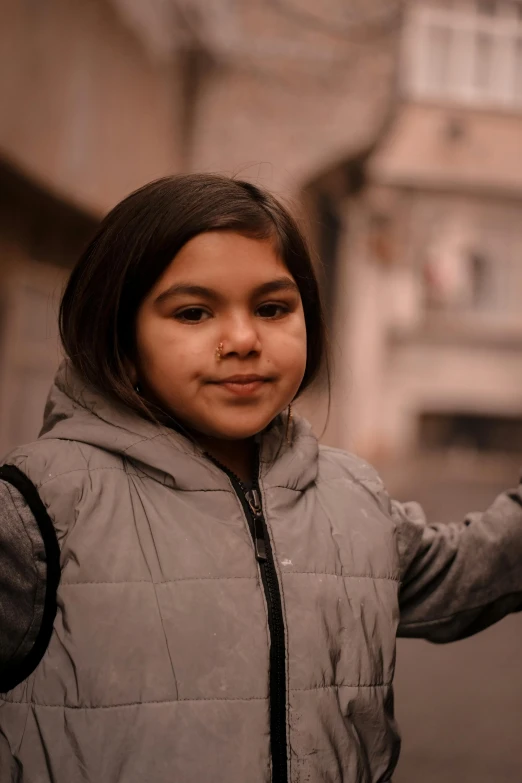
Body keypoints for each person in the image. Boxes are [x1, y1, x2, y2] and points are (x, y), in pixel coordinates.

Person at [0, 174, 521, 783]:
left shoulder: (352, 497)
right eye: (194, 313)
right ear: (120, 335)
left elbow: (470, 571)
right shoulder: (40, 505)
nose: (244, 340)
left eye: (273, 308)